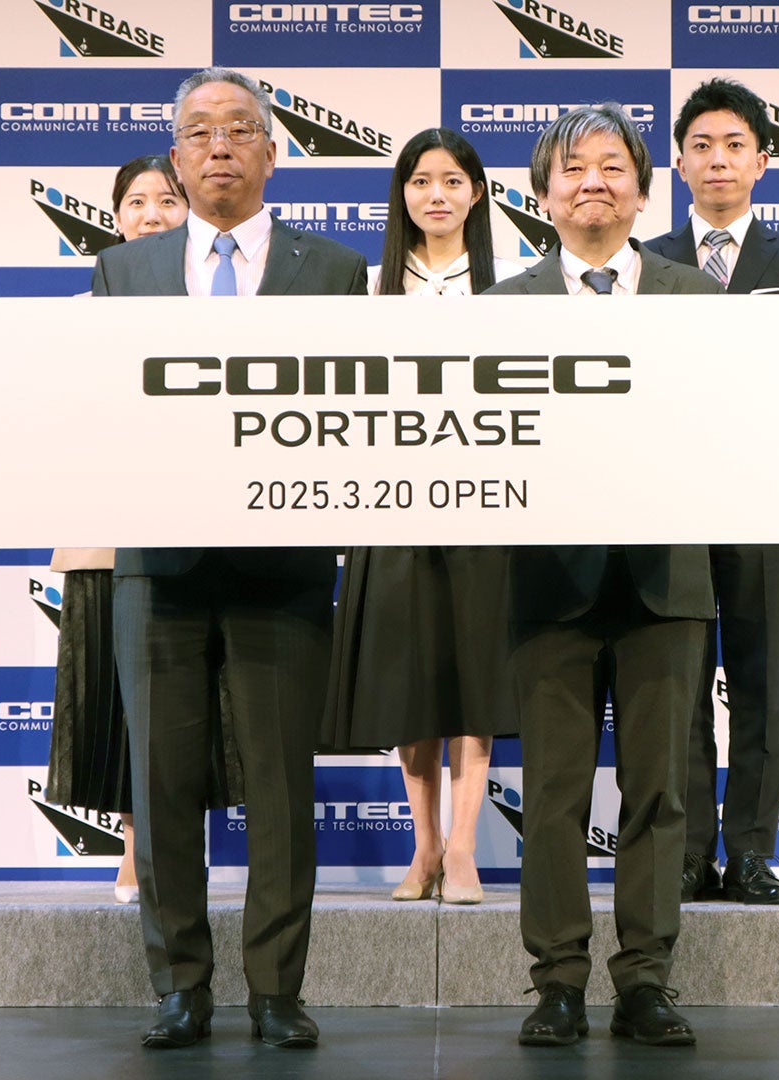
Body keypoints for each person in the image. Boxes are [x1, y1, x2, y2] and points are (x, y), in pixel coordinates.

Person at [88, 67, 367, 1051]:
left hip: (283, 571)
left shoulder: (334, 272)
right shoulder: (123, 273)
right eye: (200, 131)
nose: (219, 146)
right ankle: (180, 987)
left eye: (240, 129)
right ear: (176, 156)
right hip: (156, 567)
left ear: (271, 153)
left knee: (282, 789)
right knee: (161, 787)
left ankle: (277, 991)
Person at [484, 103, 719, 1048]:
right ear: (544, 195)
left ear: (643, 190)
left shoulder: (699, 300)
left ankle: (647, 980)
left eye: (613, 166)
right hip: (549, 586)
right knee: (553, 793)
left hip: (669, 580)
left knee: (661, 791)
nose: (594, 182)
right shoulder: (502, 309)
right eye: (573, 168)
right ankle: (557, 982)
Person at [643, 78, 779, 907]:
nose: (718, 160)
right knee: (679, 684)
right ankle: (687, 852)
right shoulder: (647, 261)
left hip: (763, 497)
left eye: (734, 146)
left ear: (763, 161)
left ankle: (751, 851)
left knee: (761, 681)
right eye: (702, 147)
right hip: (668, 504)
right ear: (679, 164)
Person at [322, 128, 523, 907]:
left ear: (478, 193)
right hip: (391, 508)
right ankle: (425, 846)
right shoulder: (368, 286)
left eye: (451, 181)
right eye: (419, 181)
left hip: (485, 508)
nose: (435, 195)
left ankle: (464, 847)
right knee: (408, 682)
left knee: (474, 677)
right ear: (401, 194)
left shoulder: (514, 288)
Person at [44, 155, 204, 907]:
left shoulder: (218, 302)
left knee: (186, 699)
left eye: (167, 200)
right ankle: (138, 847)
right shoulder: (81, 312)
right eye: (136, 202)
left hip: (198, 527)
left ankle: (170, 848)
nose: (151, 214)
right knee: (123, 697)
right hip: (108, 529)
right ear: (114, 219)